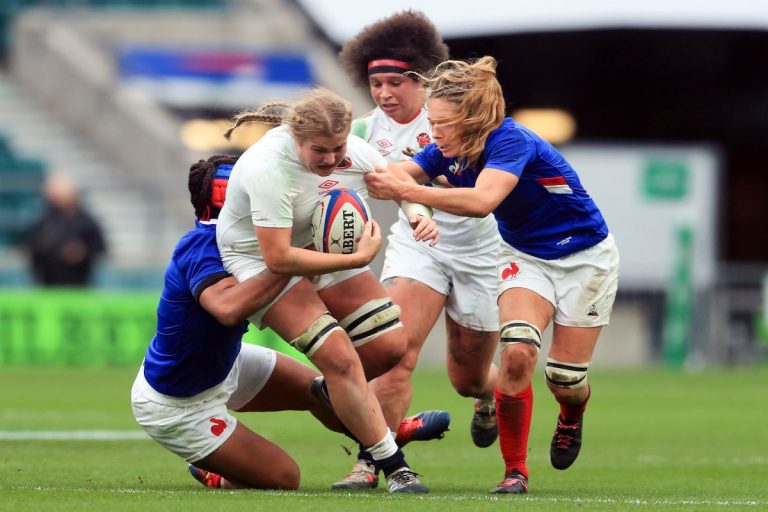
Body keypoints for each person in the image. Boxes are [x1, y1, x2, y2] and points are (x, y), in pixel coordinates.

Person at [365, 56, 620, 494]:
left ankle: (571, 415)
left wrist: (406, 191)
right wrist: (378, 177)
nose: (434, 132)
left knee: (565, 380)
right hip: (525, 256)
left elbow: (482, 200)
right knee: (517, 352)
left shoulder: (510, 141)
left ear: (472, 119)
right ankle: (515, 472)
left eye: (443, 123)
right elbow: (398, 172)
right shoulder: (446, 150)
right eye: (432, 121)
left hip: (586, 259)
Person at [216, 89, 440, 493]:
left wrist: (418, 215)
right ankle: (395, 467)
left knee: (391, 346)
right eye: (320, 150)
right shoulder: (269, 168)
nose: (332, 159)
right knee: (338, 356)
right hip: (259, 261)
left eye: (337, 148)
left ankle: (325, 393)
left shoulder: (350, 148)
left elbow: (398, 182)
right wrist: (355, 260)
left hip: (314, 244)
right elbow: (280, 259)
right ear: (296, 138)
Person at [333, 10, 502, 490]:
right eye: (375, 83)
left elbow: (483, 187)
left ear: (421, 80)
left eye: (394, 83)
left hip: (480, 251)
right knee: (395, 352)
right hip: (417, 249)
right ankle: (372, 462)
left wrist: (425, 194)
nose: (384, 94)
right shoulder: (366, 132)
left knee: (468, 377)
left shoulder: (456, 119)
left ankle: (488, 397)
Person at [24, 172, 106, 286]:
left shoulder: (86, 221)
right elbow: (32, 250)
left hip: (78, 285)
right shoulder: (42, 221)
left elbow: (100, 248)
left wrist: (82, 253)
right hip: (48, 286)